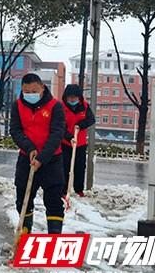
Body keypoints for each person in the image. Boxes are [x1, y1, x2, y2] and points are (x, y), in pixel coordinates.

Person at [10, 73, 66, 234]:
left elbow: (57, 134)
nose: (30, 95)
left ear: (42, 87)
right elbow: (15, 130)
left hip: (52, 160)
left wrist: (42, 157)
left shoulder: (55, 106)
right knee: (23, 199)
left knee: (54, 201)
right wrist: (29, 148)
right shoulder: (18, 105)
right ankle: (25, 233)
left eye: (33, 91)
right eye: (26, 92)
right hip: (26, 159)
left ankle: (53, 239)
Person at [61, 84, 95, 197]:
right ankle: (63, 190)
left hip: (80, 143)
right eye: (70, 97)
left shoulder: (84, 107)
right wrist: (68, 137)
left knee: (80, 167)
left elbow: (91, 120)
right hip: (65, 143)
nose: (72, 99)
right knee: (64, 166)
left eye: (75, 97)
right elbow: (59, 126)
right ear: (66, 97)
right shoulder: (61, 108)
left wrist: (80, 125)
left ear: (79, 97)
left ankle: (79, 189)